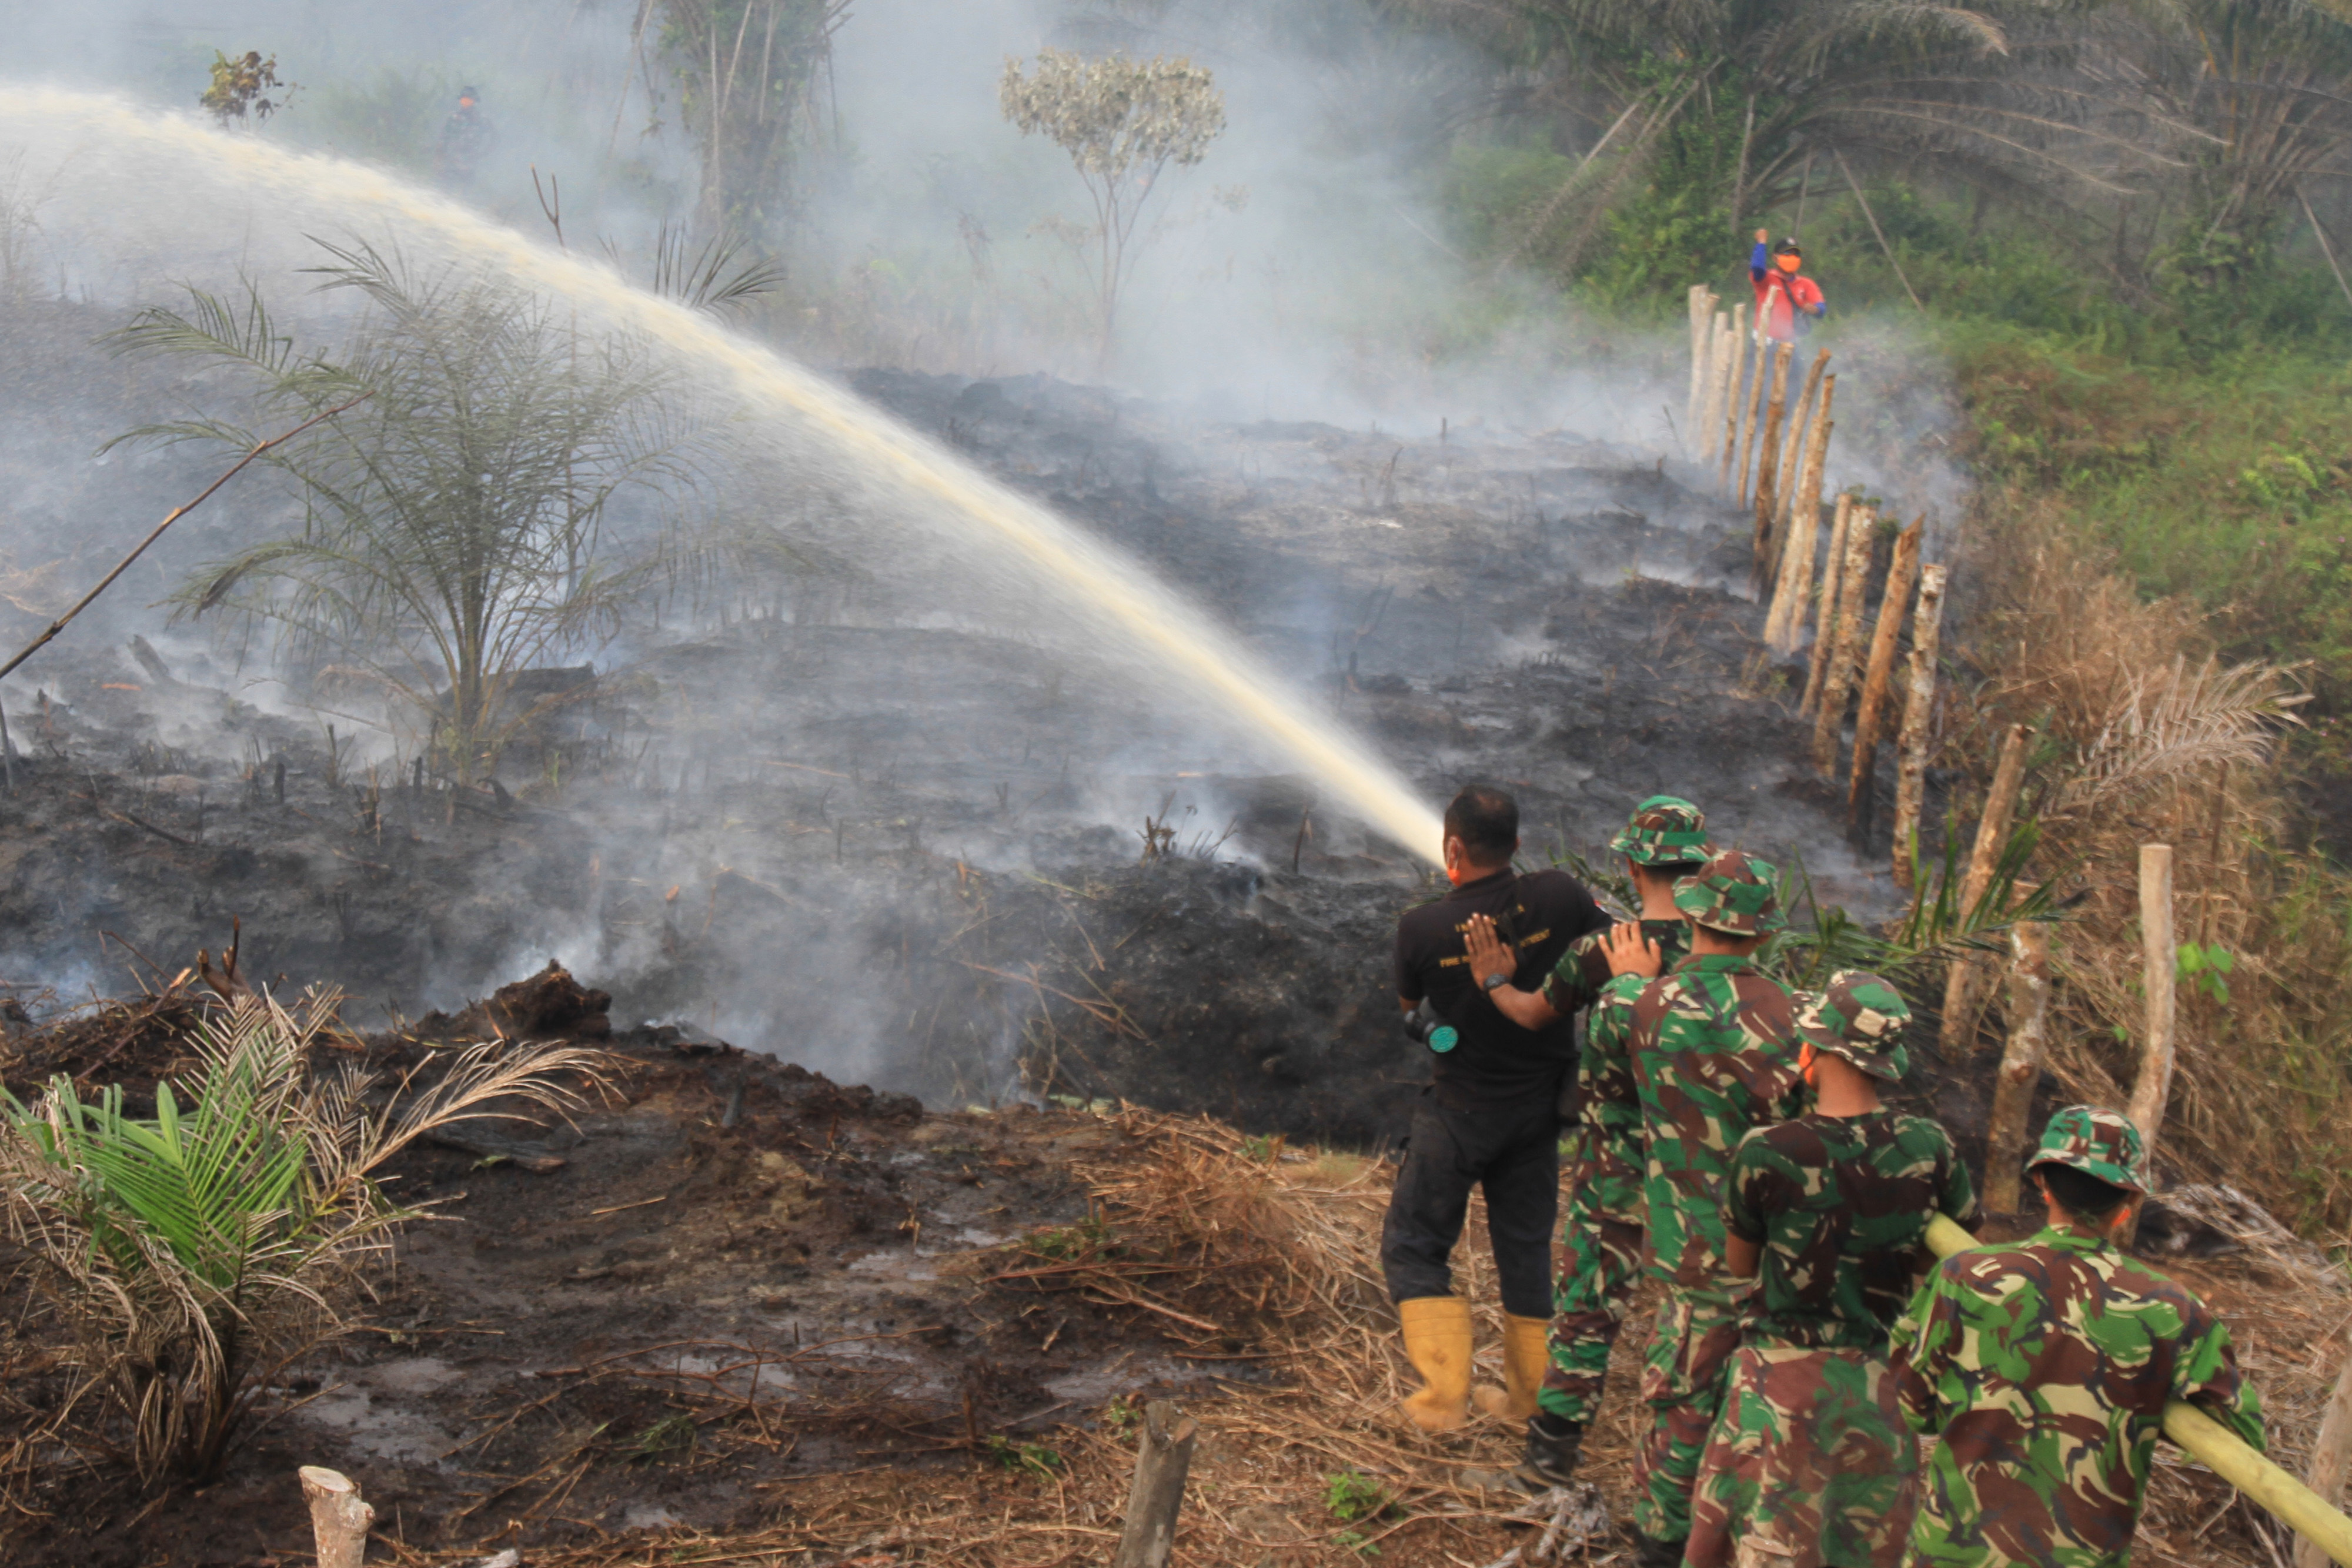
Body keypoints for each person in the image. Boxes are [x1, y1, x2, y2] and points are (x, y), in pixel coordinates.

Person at [1686, 972, 1979, 1568]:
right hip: (1874, 1389)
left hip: (1778, 1391)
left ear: (1811, 1051)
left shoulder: (1768, 1149)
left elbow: (1742, 1264)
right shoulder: (1928, 1147)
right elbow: (1947, 1255)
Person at [1892, 1106, 2265, 1568]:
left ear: (2042, 1183)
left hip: (1951, 1553)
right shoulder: (2171, 1309)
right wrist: (2141, 1403)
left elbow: (1911, 1405)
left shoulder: (1964, 1276)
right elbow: (2244, 1432)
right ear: (2127, 1202)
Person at [1464, 795, 1712, 1484]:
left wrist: (1492, 978)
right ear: (1697, 867)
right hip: (1702, 1172)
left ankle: (1547, 1461)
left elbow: (1529, 1013)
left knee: (1587, 1310)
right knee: (1700, 1319)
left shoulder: (1602, 954)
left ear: (1632, 865)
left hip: (1618, 1167)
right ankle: (1685, 1475)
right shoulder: (1727, 952)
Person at [1384, 784, 1610, 1430]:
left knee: (1415, 1246)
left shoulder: (1421, 929)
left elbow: (1413, 1020)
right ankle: (1527, 1400)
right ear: (1516, 843)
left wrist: (1445, 1030)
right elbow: (1613, 949)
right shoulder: (1560, 896)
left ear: (1452, 847)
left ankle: (1439, 1405)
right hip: (1538, 1113)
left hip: (1458, 1111)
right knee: (1525, 1247)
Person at [1623, 847, 1808, 1568]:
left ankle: (1663, 1541)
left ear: (1693, 917)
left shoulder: (1647, 1005)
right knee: (1760, 1404)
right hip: (1770, 1252)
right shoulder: (1789, 1016)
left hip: (1683, 1246)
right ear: (1764, 933)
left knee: (1685, 1403)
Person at [1751, 230, 1826, 343]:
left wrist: (1815, 310)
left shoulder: (1806, 284)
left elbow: (1821, 309)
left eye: (1796, 255)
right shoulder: (1765, 278)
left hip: (1790, 343)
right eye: (1787, 254)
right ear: (1775, 258)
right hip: (1764, 341)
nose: (1792, 258)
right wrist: (1762, 243)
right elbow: (1757, 267)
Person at [436, 85, 494, 188]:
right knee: (443, 190)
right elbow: (443, 138)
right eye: (464, 99)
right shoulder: (453, 117)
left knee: (463, 196)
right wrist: (439, 158)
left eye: (469, 100)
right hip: (450, 160)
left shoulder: (482, 120)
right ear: (460, 101)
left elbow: (494, 139)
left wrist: (482, 153)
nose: (466, 102)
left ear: (474, 101)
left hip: (469, 164)